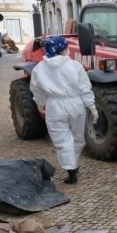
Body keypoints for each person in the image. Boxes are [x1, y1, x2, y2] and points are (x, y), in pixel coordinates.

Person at [30, 36, 98, 184]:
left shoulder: (39, 68)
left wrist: (40, 104)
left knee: (62, 139)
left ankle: (71, 170)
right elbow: (85, 88)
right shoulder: (75, 66)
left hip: (54, 105)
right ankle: (73, 165)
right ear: (64, 49)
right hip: (76, 104)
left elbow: (36, 90)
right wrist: (92, 106)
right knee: (78, 138)